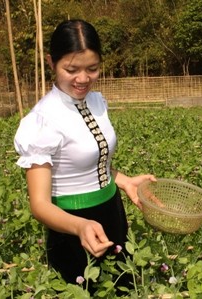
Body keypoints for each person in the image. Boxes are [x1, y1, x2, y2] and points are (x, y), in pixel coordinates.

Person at [13, 19, 155, 294]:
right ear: (51, 62)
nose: (83, 79)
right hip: (71, 224)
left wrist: (123, 181)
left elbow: (91, 161)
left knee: (122, 286)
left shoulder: (96, 102)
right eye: (71, 69)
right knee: (83, 289)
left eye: (92, 69)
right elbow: (40, 205)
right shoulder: (42, 120)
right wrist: (79, 227)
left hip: (112, 212)